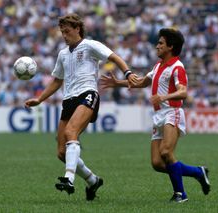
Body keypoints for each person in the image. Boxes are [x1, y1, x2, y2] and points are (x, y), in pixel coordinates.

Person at [24, 13, 137, 201]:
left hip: (88, 94)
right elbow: (57, 81)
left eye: (67, 31)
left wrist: (127, 72)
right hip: (68, 100)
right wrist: (40, 99)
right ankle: (93, 180)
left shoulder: (90, 45)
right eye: (62, 32)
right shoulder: (62, 54)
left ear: (77, 29)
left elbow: (114, 57)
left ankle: (69, 178)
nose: (64, 35)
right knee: (61, 152)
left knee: (71, 132)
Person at [100, 28, 210, 202]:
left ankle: (180, 194)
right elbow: (143, 82)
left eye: (160, 43)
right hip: (159, 115)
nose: (156, 46)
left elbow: (183, 92)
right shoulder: (158, 66)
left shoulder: (177, 67)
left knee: (166, 152)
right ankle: (198, 172)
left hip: (172, 112)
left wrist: (164, 96)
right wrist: (117, 83)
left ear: (170, 46)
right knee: (157, 163)